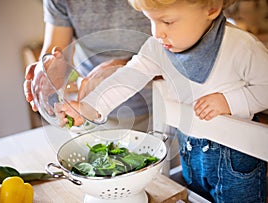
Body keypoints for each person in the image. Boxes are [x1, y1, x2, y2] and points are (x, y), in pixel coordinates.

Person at [55, 0, 268, 202]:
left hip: (237, 163)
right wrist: (89, 107)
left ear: (212, 7)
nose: (157, 32)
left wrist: (229, 102)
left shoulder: (242, 47)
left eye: (167, 21)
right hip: (190, 155)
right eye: (151, 20)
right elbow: (128, 76)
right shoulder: (159, 46)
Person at [23, 0, 153, 132]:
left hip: (155, 105)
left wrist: (119, 68)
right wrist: (47, 74)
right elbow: (55, 48)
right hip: (89, 111)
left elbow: (160, 59)